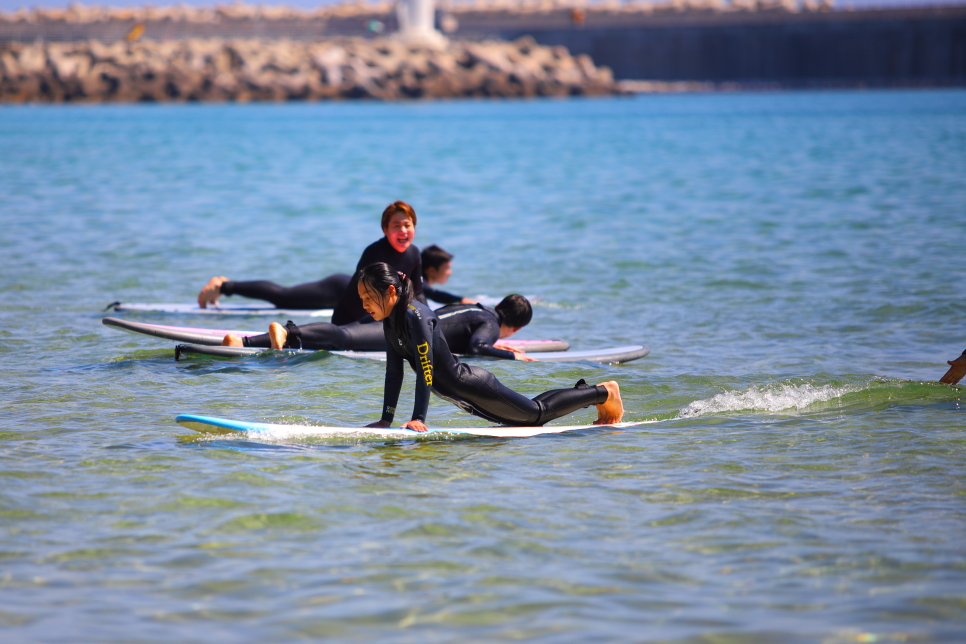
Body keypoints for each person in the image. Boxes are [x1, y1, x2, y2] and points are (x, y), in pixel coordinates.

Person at [356, 262, 623, 431]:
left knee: (536, 415)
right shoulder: (391, 321)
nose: (364, 304)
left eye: (369, 296)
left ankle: (603, 392)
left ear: (391, 291)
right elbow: (394, 373)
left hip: (471, 385)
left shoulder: (416, 317)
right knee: (526, 417)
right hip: (458, 395)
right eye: (362, 297)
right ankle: (592, 394)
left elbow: (426, 371)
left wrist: (419, 418)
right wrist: (385, 419)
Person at [222, 295, 536, 361]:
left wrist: (497, 344)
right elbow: (477, 347)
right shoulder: (491, 323)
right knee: (344, 339)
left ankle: (244, 341)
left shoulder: (477, 308)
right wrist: (511, 357)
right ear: (517, 327)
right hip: (407, 333)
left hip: (405, 322)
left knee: (344, 335)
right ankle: (290, 333)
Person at [330, 201, 426, 325]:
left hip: (382, 321)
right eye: (396, 225)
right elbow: (368, 296)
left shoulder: (414, 253)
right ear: (385, 229)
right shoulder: (374, 253)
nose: (403, 230)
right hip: (352, 323)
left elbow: (418, 293)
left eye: (407, 225)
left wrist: (428, 318)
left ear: (414, 228)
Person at [196, 273, 350, 310]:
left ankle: (224, 285)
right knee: (283, 297)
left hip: (344, 286)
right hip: (340, 289)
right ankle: (222, 286)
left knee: (284, 297)